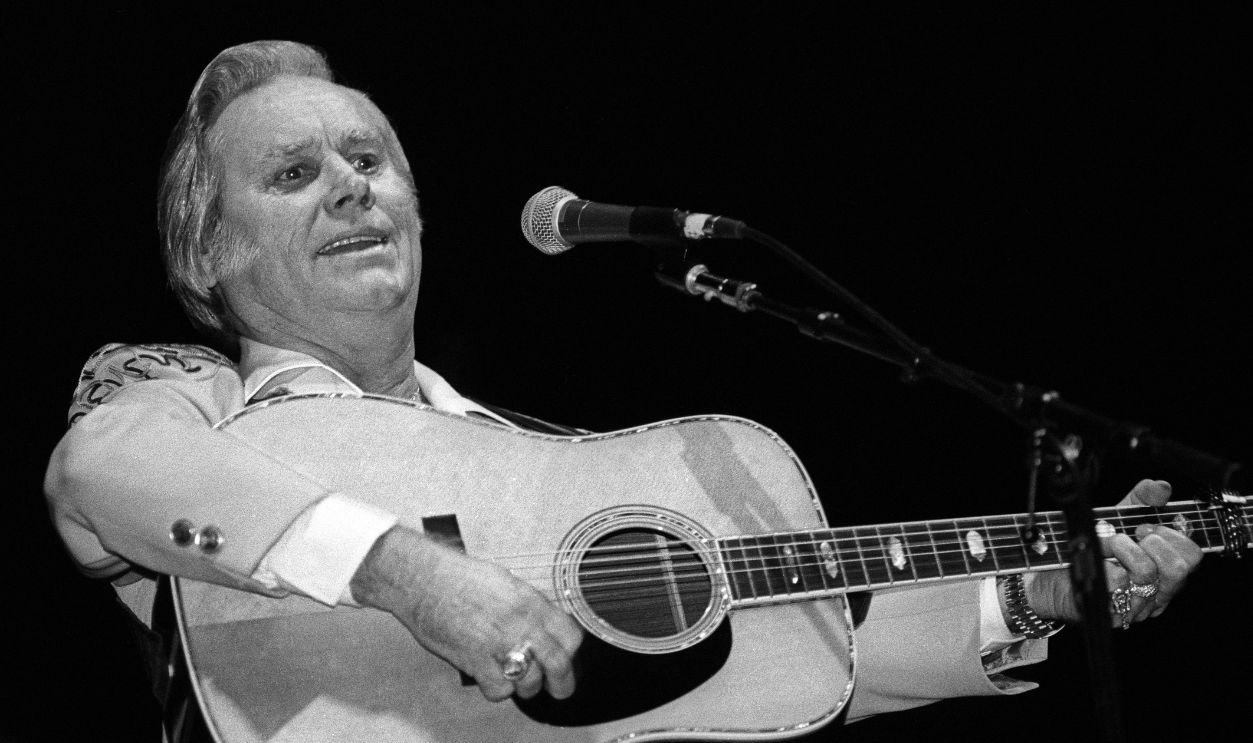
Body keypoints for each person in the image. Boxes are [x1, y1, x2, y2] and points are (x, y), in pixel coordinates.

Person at [43, 40, 1204, 741]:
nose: (350, 189)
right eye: (294, 174)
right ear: (206, 256)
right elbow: (104, 474)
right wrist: (403, 569)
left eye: (368, 161)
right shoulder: (188, 399)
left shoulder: (525, 455)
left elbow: (774, 652)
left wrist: (1034, 592)